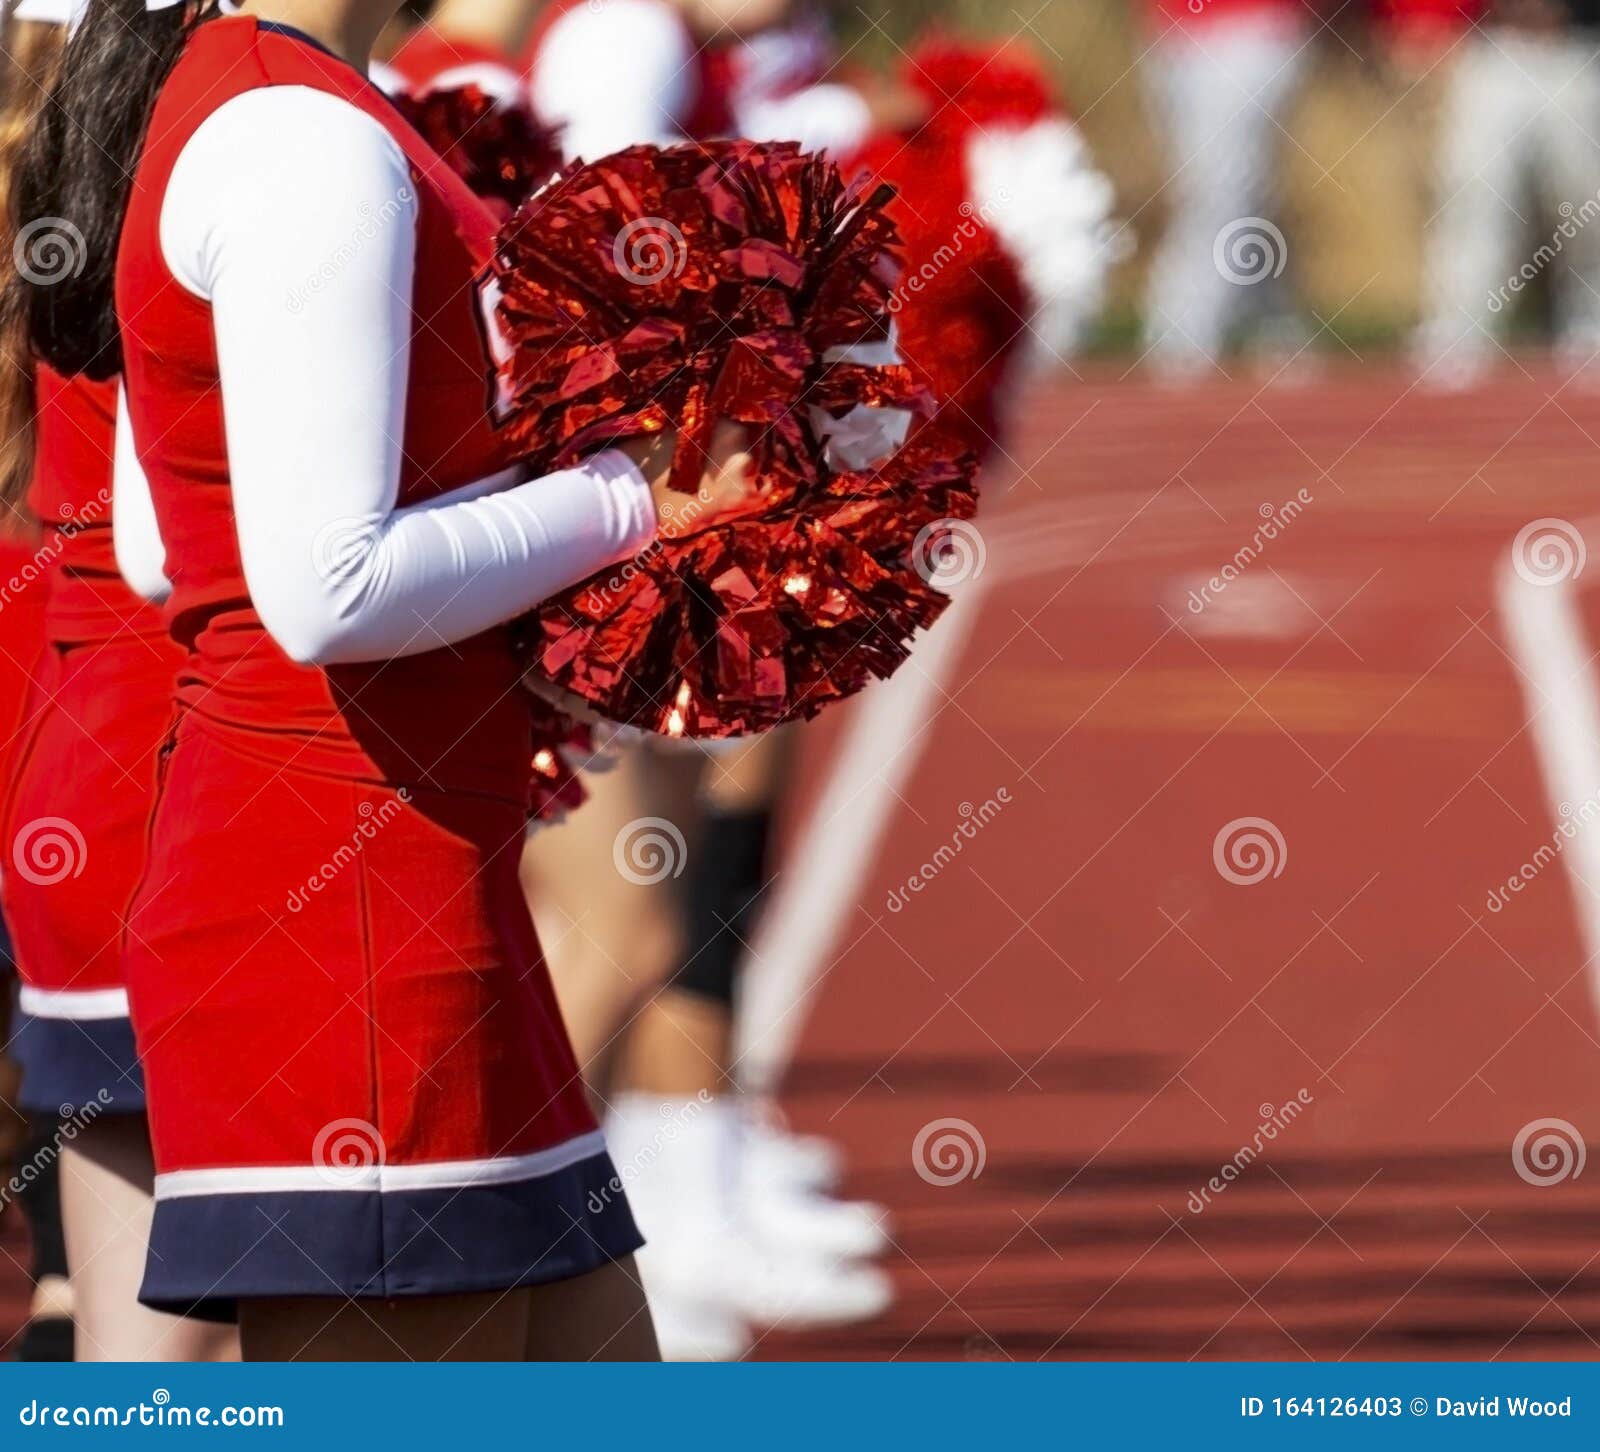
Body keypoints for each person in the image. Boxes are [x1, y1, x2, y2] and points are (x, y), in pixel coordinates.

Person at [10, 0, 763, 1361]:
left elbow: (152, 542)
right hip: (344, 917)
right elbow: (325, 591)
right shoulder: (306, 137)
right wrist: (632, 502)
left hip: (405, 880)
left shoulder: (254, 100)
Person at [0, 0, 236, 1363]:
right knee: (178, 1371)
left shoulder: (78, 159)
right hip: (172, 779)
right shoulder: (203, 159)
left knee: (126, 1358)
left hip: (82, 760)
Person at [1412, 0, 1600, 383]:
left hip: (1573, 49)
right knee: (1475, 190)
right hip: (1496, 50)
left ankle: (1590, 322)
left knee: (1582, 201)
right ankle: (1459, 329)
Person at [1140, 0, 1310, 377]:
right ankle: (1275, 327)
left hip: (1252, 30)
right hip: (1171, 34)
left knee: (1217, 192)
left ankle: (1181, 335)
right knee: (1245, 194)